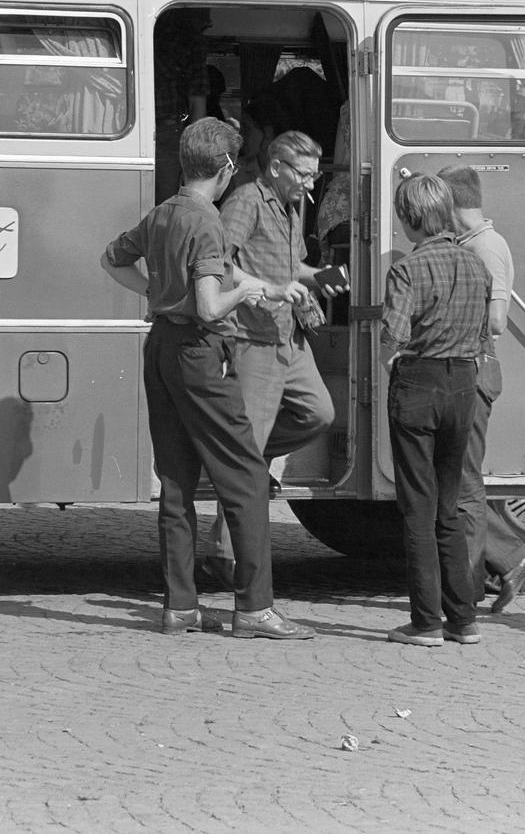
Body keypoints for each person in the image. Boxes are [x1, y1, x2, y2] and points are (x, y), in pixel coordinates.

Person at [100, 117, 315, 640]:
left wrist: (156, 293)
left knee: (176, 481)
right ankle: (255, 607)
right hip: (199, 350)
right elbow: (210, 302)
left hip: (161, 349)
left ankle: (180, 606)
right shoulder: (209, 221)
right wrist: (242, 294)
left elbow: (112, 259)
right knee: (245, 476)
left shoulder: (164, 213)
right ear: (225, 168)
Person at [200, 129, 348, 588]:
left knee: (317, 413)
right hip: (254, 337)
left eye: (314, 174)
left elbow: (292, 267)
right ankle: (226, 557)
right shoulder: (246, 200)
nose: (310, 183)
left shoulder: (289, 204)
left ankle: (247, 459)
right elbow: (218, 259)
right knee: (248, 449)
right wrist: (264, 289)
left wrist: (320, 277)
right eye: (303, 174)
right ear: (278, 167)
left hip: (289, 334)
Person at [380, 173, 492, 647]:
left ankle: (425, 621)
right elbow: (486, 332)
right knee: (450, 504)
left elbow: (395, 333)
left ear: (409, 218)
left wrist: (389, 353)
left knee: (417, 509)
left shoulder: (408, 268)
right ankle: (463, 618)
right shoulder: (476, 265)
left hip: (419, 382)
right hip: (463, 382)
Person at [437, 165, 525, 614]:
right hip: (473, 365)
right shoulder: (474, 243)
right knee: (460, 476)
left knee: (463, 479)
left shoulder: (485, 247)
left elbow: (497, 319)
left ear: (451, 202)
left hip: (475, 366)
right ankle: (490, 569)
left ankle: (488, 572)